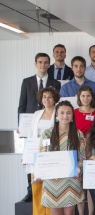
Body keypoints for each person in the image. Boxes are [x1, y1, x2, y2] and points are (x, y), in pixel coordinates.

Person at [37, 100, 86, 215]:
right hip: (52, 183)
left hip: (70, 182)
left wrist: (79, 167)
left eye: (69, 113)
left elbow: (82, 158)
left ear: (72, 116)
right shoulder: (46, 134)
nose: (65, 116)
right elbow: (42, 156)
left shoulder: (78, 135)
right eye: (62, 113)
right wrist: (40, 171)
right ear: (56, 115)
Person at [18, 52, 61, 203]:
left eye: (45, 62)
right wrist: (21, 128)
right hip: (32, 130)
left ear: (49, 65)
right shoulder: (27, 82)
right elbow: (22, 106)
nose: (43, 65)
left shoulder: (55, 83)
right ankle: (30, 192)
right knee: (31, 164)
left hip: (50, 140)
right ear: (35, 63)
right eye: (40, 62)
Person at [26, 87, 59, 215]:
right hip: (36, 155)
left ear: (54, 99)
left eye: (50, 97)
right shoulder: (36, 114)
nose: (47, 99)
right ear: (41, 99)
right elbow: (30, 135)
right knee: (37, 187)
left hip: (52, 155)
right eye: (44, 97)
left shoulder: (59, 113)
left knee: (52, 188)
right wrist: (25, 154)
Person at [73, 86, 95, 215]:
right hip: (77, 150)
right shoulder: (74, 112)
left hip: (92, 149)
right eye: (83, 96)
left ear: (92, 97)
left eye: (88, 96)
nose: (86, 99)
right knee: (79, 185)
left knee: (90, 185)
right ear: (79, 97)